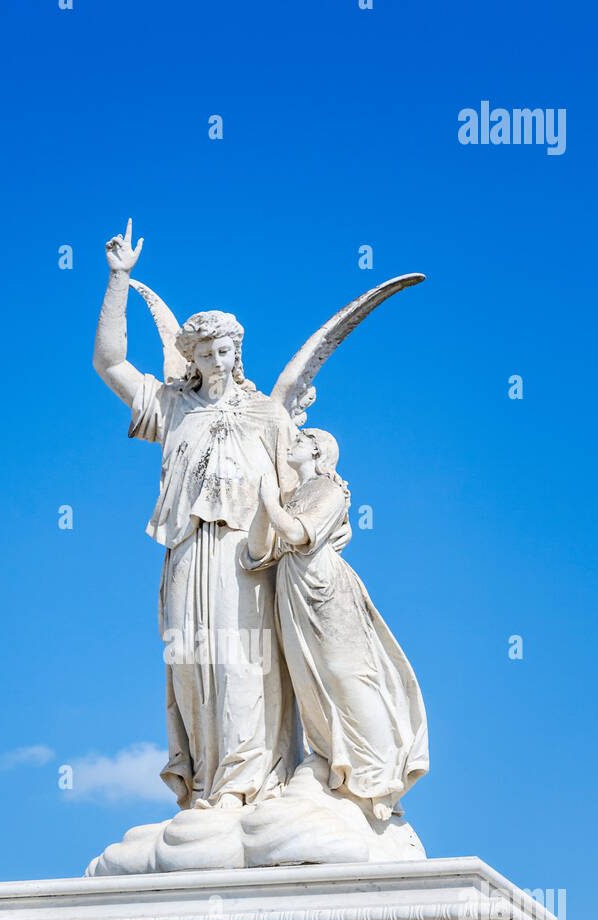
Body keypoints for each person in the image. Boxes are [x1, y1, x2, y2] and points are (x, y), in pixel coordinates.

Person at [93, 221, 298, 809]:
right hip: (186, 545)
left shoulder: (267, 416)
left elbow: (299, 491)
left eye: (223, 349)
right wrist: (118, 279)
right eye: (202, 351)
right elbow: (109, 362)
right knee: (189, 661)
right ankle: (204, 784)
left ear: (238, 352)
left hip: (249, 552)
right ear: (192, 356)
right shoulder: (172, 406)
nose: (214, 359)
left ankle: (243, 782)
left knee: (241, 660)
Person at [245, 426, 428, 822]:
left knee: (347, 675)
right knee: (314, 685)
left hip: (326, 589)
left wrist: (268, 502)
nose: (292, 443)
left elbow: (296, 532)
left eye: (300, 440)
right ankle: (339, 765)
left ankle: (382, 777)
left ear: (317, 452)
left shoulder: (328, 491)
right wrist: (268, 505)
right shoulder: (291, 496)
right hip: (293, 592)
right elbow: (258, 551)